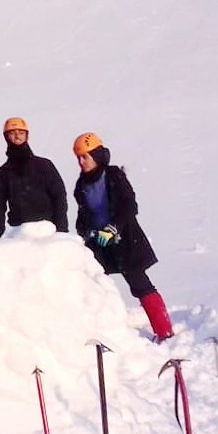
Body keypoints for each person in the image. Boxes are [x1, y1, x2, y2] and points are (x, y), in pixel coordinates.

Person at [73, 132, 174, 342]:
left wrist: (113, 228)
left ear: (96, 156)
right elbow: (82, 217)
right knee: (95, 285)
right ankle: (104, 332)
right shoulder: (81, 185)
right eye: (78, 158)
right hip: (99, 244)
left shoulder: (113, 176)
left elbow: (129, 206)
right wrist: (87, 233)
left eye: (85, 157)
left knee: (139, 283)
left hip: (125, 239)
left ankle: (164, 331)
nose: (81, 162)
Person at [0, 118, 67, 237]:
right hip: (19, 232)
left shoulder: (44, 165)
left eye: (21, 133)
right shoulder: (2, 173)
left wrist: (61, 231)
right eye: (12, 133)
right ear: (6, 137)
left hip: (47, 231)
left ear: (27, 136)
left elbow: (59, 197)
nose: (17, 136)